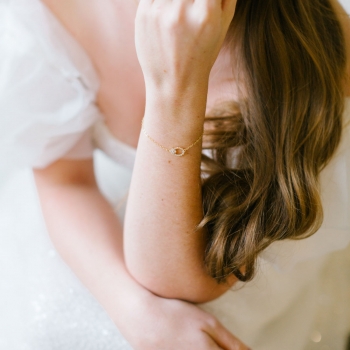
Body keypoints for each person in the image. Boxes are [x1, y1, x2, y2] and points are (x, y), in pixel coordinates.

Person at [0, 0, 349, 349]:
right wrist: (131, 308)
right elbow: (65, 179)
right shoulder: (41, 10)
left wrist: (176, 87)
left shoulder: (296, 41)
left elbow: (184, 279)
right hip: (97, 225)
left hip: (227, 260)